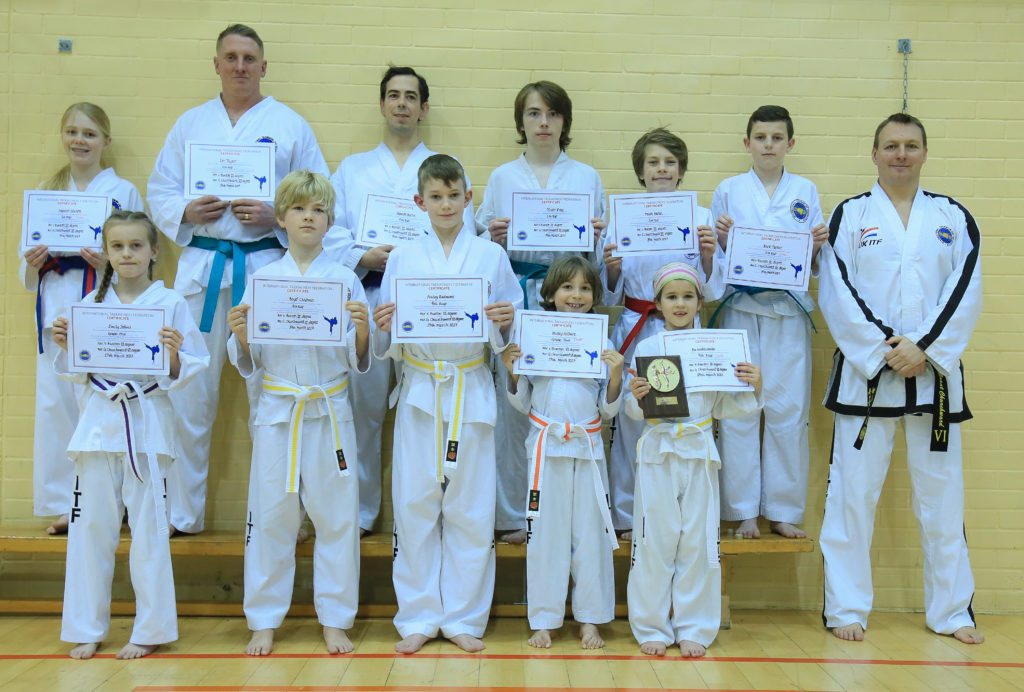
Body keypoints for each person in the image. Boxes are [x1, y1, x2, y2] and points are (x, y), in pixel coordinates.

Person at [147, 24, 333, 534]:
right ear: (216, 64)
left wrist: (277, 216)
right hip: (203, 270)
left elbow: (320, 196)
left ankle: (279, 517)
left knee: (272, 397)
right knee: (190, 396)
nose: (240, 66)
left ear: (264, 66)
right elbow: (158, 189)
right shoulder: (190, 124)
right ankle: (182, 516)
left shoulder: (291, 126)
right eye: (230, 57)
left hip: (265, 270)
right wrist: (185, 208)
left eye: (250, 58)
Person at [818, 113, 983, 645]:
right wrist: (885, 349)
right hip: (869, 377)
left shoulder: (952, 216)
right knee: (851, 496)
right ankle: (845, 607)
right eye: (891, 145)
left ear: (925, 153)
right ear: (874, 153)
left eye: (911, 145)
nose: (901, 154)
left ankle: (952, 612)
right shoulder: (850, 214)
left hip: (933, 377)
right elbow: (837, 289)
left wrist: (925, 349)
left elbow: (965, 288)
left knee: (942, 500)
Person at [372, 154, 520, 654]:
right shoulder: (403, 258)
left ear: (468, 197)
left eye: (454, 195)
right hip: (420, 389)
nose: (446, 204)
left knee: (470, 507)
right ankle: (417, 614)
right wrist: (386, 326)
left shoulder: (490, 257)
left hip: (470, 387)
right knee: (415, 504)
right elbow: (385, 336)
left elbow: (509, 332)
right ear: (420, 202)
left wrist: (505, 320)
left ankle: (463, 617)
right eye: (435, 197)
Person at [51, 211, 209, 660]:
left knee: (150, 531)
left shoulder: (172, 302)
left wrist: (175, 355)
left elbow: (189, 370)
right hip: (98, 424)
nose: (127, 254)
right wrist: (67, 347)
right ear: (106, 252)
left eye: (136, 246)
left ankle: (152, 628)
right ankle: (86, 626)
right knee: (89, 529)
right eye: (117, 246)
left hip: (147, 422)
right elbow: (74, 373)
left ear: (154, 251)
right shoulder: (89, 306)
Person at [227, 171, 370, 656]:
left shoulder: (345, 278)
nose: (309, 218)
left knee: (337, 519)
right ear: (282, 219)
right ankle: (263, 620)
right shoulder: (263, 279)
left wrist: (364, 331)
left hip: (329, 410)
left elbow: (358, 358)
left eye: (319, 210)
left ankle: (335, 619)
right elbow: (248, 359)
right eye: (299, 210)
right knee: (271, 518)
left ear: (330, 221)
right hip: (279, 413)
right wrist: (242, 335)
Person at [327, 66, 475, 535]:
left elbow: (464, 235)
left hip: (431, 309)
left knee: (428, 411)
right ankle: (363, 513)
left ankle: (437, 514)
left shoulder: (445, 166)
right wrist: (363, 254)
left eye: (411, 96)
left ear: (424, 108)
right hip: (370, 297)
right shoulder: (352, 168)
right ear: (382, 104)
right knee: (364, 412)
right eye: (393, 95)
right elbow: (329, 230)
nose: (402, 103)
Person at [476, 80, 605, 544]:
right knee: (515, 408)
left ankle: (565, 515)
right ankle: (515, 515)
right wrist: (491, 233)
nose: (543, 122)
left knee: (568, 402)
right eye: (533, 114)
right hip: (520, 298)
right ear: (521, 122)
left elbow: (601, 252)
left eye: (552, 113)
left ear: (565, 121)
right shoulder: (502, 177)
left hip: (571, 301)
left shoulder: (587, 177)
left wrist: (597, 234)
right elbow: (481, 243)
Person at [625, 263, 762, 658]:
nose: (680, 304)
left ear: (700, 301)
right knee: (653, 541)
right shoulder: (648, 349)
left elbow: (728, 408)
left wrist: (754, 383)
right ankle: (651, 626)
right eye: (672, 297)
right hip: (658, 452)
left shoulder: (716, 347)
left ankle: (694, 627)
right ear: (657, 304)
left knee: (698, 543)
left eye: (688, 296)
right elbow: (636, 415)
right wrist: (636, 396)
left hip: (700, 451)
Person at [22, 103, 144, 535]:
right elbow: (26, 273)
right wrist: (34, 263)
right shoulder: (46, 191)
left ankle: (111, 501)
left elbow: (139, 251)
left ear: (105, 142)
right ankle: (63, 503)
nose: (80, 140)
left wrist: (105, 259)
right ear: (63, 136)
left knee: (100, 405)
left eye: (90, 134)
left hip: (104, 304)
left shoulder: (123, 191)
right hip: (56, 302)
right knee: (55, 406)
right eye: (72, 131)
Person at [710, 106, 829, 539]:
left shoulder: (805, 190)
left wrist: (816, 246)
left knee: (787, 410)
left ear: (790, 144)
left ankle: (781, 509)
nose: (768, 145)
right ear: (747, 143)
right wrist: (723, 241)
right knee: (740, 409)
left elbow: (814, 264)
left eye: (777, 138)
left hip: (786, 315)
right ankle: (742, 510)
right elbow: (714, 261)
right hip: (740, 313)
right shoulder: (728, 190)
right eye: (760, 137)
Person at [599, 128, 722, 539]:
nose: (662, 169)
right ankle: (630, 519)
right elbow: (611, 288)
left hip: (686, 333)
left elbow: (714, 287)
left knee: (682, 421)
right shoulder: (621, 216)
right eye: (653, 162)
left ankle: (682, 517)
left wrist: (708, 255)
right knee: (634, 424)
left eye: (670, 162)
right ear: (641, 170)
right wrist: (612, 266)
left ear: (682, 169)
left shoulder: (700, 217)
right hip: (638, 327)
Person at [501, 256, 623, 650]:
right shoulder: (534, 334)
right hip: (545, 447)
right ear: (549, 294)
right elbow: (522, 404)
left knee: (591, 537)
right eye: (567, 287)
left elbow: (608, 409)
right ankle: (545, 619)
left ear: (595, 296)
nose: (576, 295)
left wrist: (617, 372)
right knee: (545, 536)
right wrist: (513, 370)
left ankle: (590, 619)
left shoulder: (602, 342)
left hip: (587, 450)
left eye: (585, 288)